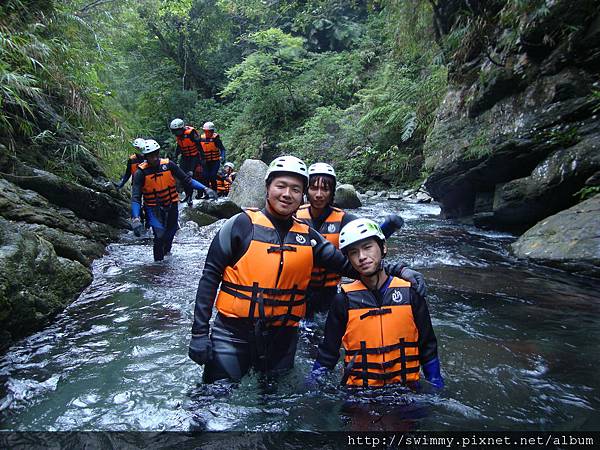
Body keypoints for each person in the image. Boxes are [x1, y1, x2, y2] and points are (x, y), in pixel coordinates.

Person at [188, 155, 426, 384]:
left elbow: (352, 266)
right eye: (281, 186)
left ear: (302, 194)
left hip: (282, 340)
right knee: (213, 402)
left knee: (273, 409)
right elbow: (209, 278)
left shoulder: (309, 238)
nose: (287, 194)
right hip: (232, 334)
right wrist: (199, 334)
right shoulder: (239, 226)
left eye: (295, 189)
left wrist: (400, 270)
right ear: (268, 187)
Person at [311, 218, 443, 389]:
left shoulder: (410, 294)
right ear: (349, 259)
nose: (362, 257)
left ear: (383, 248)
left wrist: (436, 383)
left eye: (367, 247)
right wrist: (313, 383)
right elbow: (328, 353)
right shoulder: (343, 300)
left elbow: (428, 346)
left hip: (406, 392)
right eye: (353, 252)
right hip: (360, 394)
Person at [295, 162, 410, 318]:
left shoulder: (345, 219)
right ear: (306, 190)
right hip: (299, 289)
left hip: (328, 291)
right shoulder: (294, 215)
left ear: (332, 192)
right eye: (314, 188)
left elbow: (370, 240)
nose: (319, 194)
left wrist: (389, 227)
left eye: (325, 189)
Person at [130, 139, 217, 261]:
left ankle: (167, 258)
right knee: (159, 236)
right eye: (151, 156)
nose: (154, 158)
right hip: (152, 208)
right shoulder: (140, 173)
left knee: (170, 234)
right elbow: (136, 198)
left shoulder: (169, 165)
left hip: (171, 204)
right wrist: (136, 217)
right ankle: (158, 266)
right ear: (146, 157)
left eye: (156, 154)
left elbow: (187, 180)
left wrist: (205, 188)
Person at [169, 118, 205, 206]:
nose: (175, 133)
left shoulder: (191, 133)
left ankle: (196, 194)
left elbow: (199, 145)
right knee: (182, 176)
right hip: (185, 157)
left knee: (191, 175)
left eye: (176, 131)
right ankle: (188, 195)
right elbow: (179, 146)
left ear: (181, 128)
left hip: (194, 157)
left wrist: (202, 158)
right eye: (174, 131)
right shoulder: (179, 136)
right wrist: (175, 156)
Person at [199, 121, 226, 193]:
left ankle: (214, 192)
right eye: (205, 131)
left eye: (208, 131)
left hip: (215, 161)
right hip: (205, 162)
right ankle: (207, 193)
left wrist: (222, 157)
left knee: (213, 176)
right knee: (205, 177)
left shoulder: (216, 139)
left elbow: (222, 149)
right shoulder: (201, 138)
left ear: (212, 131)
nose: (207, 133)